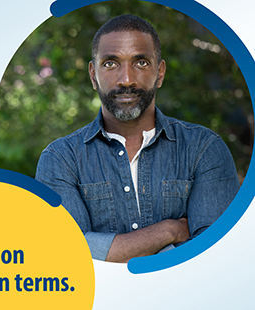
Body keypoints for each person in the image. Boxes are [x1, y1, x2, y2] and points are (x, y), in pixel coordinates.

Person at [35, 14, 240, 263]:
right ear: (92, 75)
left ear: (160, 72)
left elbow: (212, 257)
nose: (126, 80)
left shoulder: (204, 149)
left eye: (141, 63)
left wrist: (109, 251)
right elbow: (68, 256)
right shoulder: (60, 159)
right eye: (111, 64)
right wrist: (169, 231)